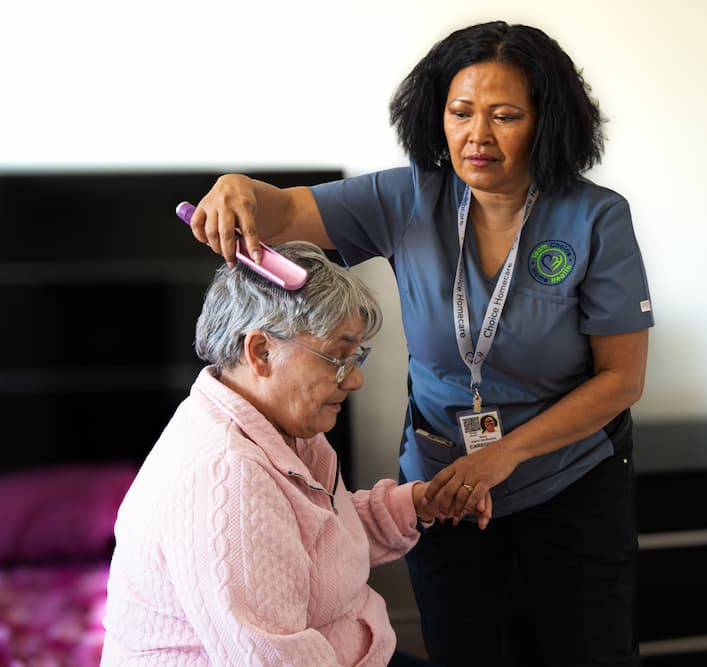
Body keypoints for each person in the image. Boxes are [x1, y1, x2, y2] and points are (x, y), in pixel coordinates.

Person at [187, 20, 653, 667]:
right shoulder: (408, 197)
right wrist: (240, 189)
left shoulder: (596, 217)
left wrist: (504, 456)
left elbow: (622, 379)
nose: (477, 135)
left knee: (588, 652)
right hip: (443, 483)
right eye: (460, 112)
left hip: (566, 474)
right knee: (465, 649)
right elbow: (284, 211)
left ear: (546, 122)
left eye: (505, 115)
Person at [101, 242, 465, 666]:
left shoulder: (283, 428)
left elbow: (313, 547)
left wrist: (416, 505)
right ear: (260, 352)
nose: (355, 380)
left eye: (357, 356)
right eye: (338, 358)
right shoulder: (227, 477)